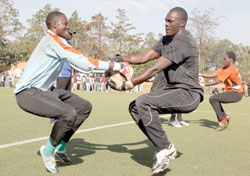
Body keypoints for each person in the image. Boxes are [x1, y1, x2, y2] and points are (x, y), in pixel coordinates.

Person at [14, 11, 132, 174]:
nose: (68, 26)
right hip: (27, 93)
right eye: (65, 23)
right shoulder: (52, 41)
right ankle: (48, 151)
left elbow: (81, 63)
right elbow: (83, 62)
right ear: (55, 25)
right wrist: (115, 66)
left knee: (83, 107)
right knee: (68, 113)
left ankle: (60, 148)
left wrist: (105, 69)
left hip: (46, 90)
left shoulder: (60, 42)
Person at [109, 7, 203, 174]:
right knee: (135, 107)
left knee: (143, 102)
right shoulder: (167, 40)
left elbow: (154, 69)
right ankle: (165, 147)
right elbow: (144, 58)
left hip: (189, 93)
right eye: (165, 20)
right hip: (173, 89)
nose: (166, 24)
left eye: (170, 21)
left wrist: (129, 84)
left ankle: (164, 147)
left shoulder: (182, 42)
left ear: (182, 23)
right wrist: (119, 59)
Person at [200, 51, 243, 131]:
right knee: (214, 99)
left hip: (236, 94)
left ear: (231, 60)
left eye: (225, 59)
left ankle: (222, 121)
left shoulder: (231, 69)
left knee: (213, 99)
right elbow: (212, 75)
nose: (223, 60)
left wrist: (204, 84)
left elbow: (217, 81)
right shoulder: (225, 68)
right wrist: (199, 74)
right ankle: (224, 117)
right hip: (233, 93)